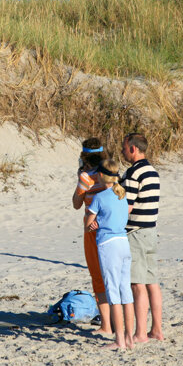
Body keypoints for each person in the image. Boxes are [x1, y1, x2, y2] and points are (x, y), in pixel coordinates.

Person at [84, 158, 135, 350]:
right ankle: (129, 338)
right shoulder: (122, 195)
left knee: (113, 292)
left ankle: (119, 340)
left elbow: (88, 224)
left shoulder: (100, 197)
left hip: (108, 245)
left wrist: (93, 224)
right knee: (126, 292)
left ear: (100, 176)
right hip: (124, 243)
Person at [120, 132, 164, 343]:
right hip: (151, 231)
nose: (122, 152)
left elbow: (127, 207)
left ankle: (140, 333)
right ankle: (156, 329)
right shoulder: (152, 171)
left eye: (124, 148)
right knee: (152, 282)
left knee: (137, 284)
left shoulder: (133, 173)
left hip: (136, 233)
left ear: (133, 149)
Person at [72, 138, 111, 335]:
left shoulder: (86, 176)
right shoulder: (111, 174)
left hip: (93, 230)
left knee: (98, 277)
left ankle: (106, 324)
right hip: (113, 229)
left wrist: (81, 179)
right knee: (114, 276)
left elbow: (76, 203)